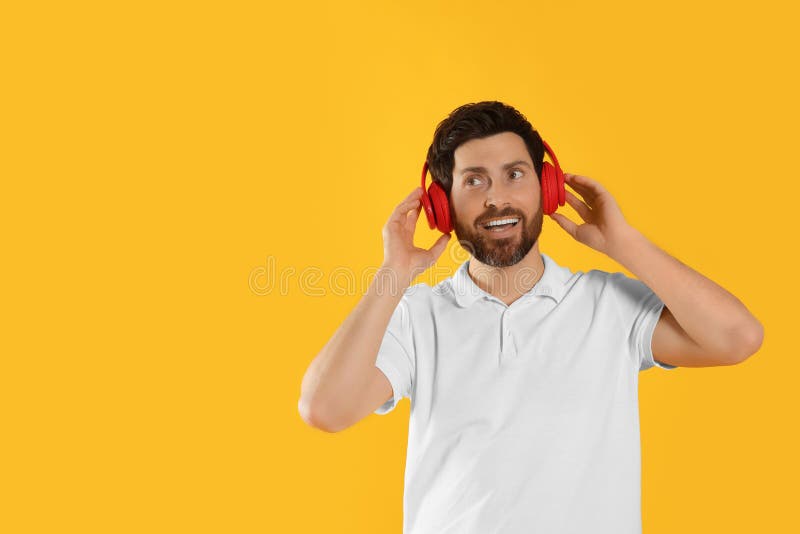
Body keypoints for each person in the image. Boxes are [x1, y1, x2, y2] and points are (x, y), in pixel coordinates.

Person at [298, 101, 764, 533]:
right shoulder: (417, 317)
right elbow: (325, 409)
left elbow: (738, 337)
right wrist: (393, 274)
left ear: (547, 188)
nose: (496, 199)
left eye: (515, 174)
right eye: (474, 181)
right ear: (442, 207)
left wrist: (626, 246)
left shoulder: (609, 306)